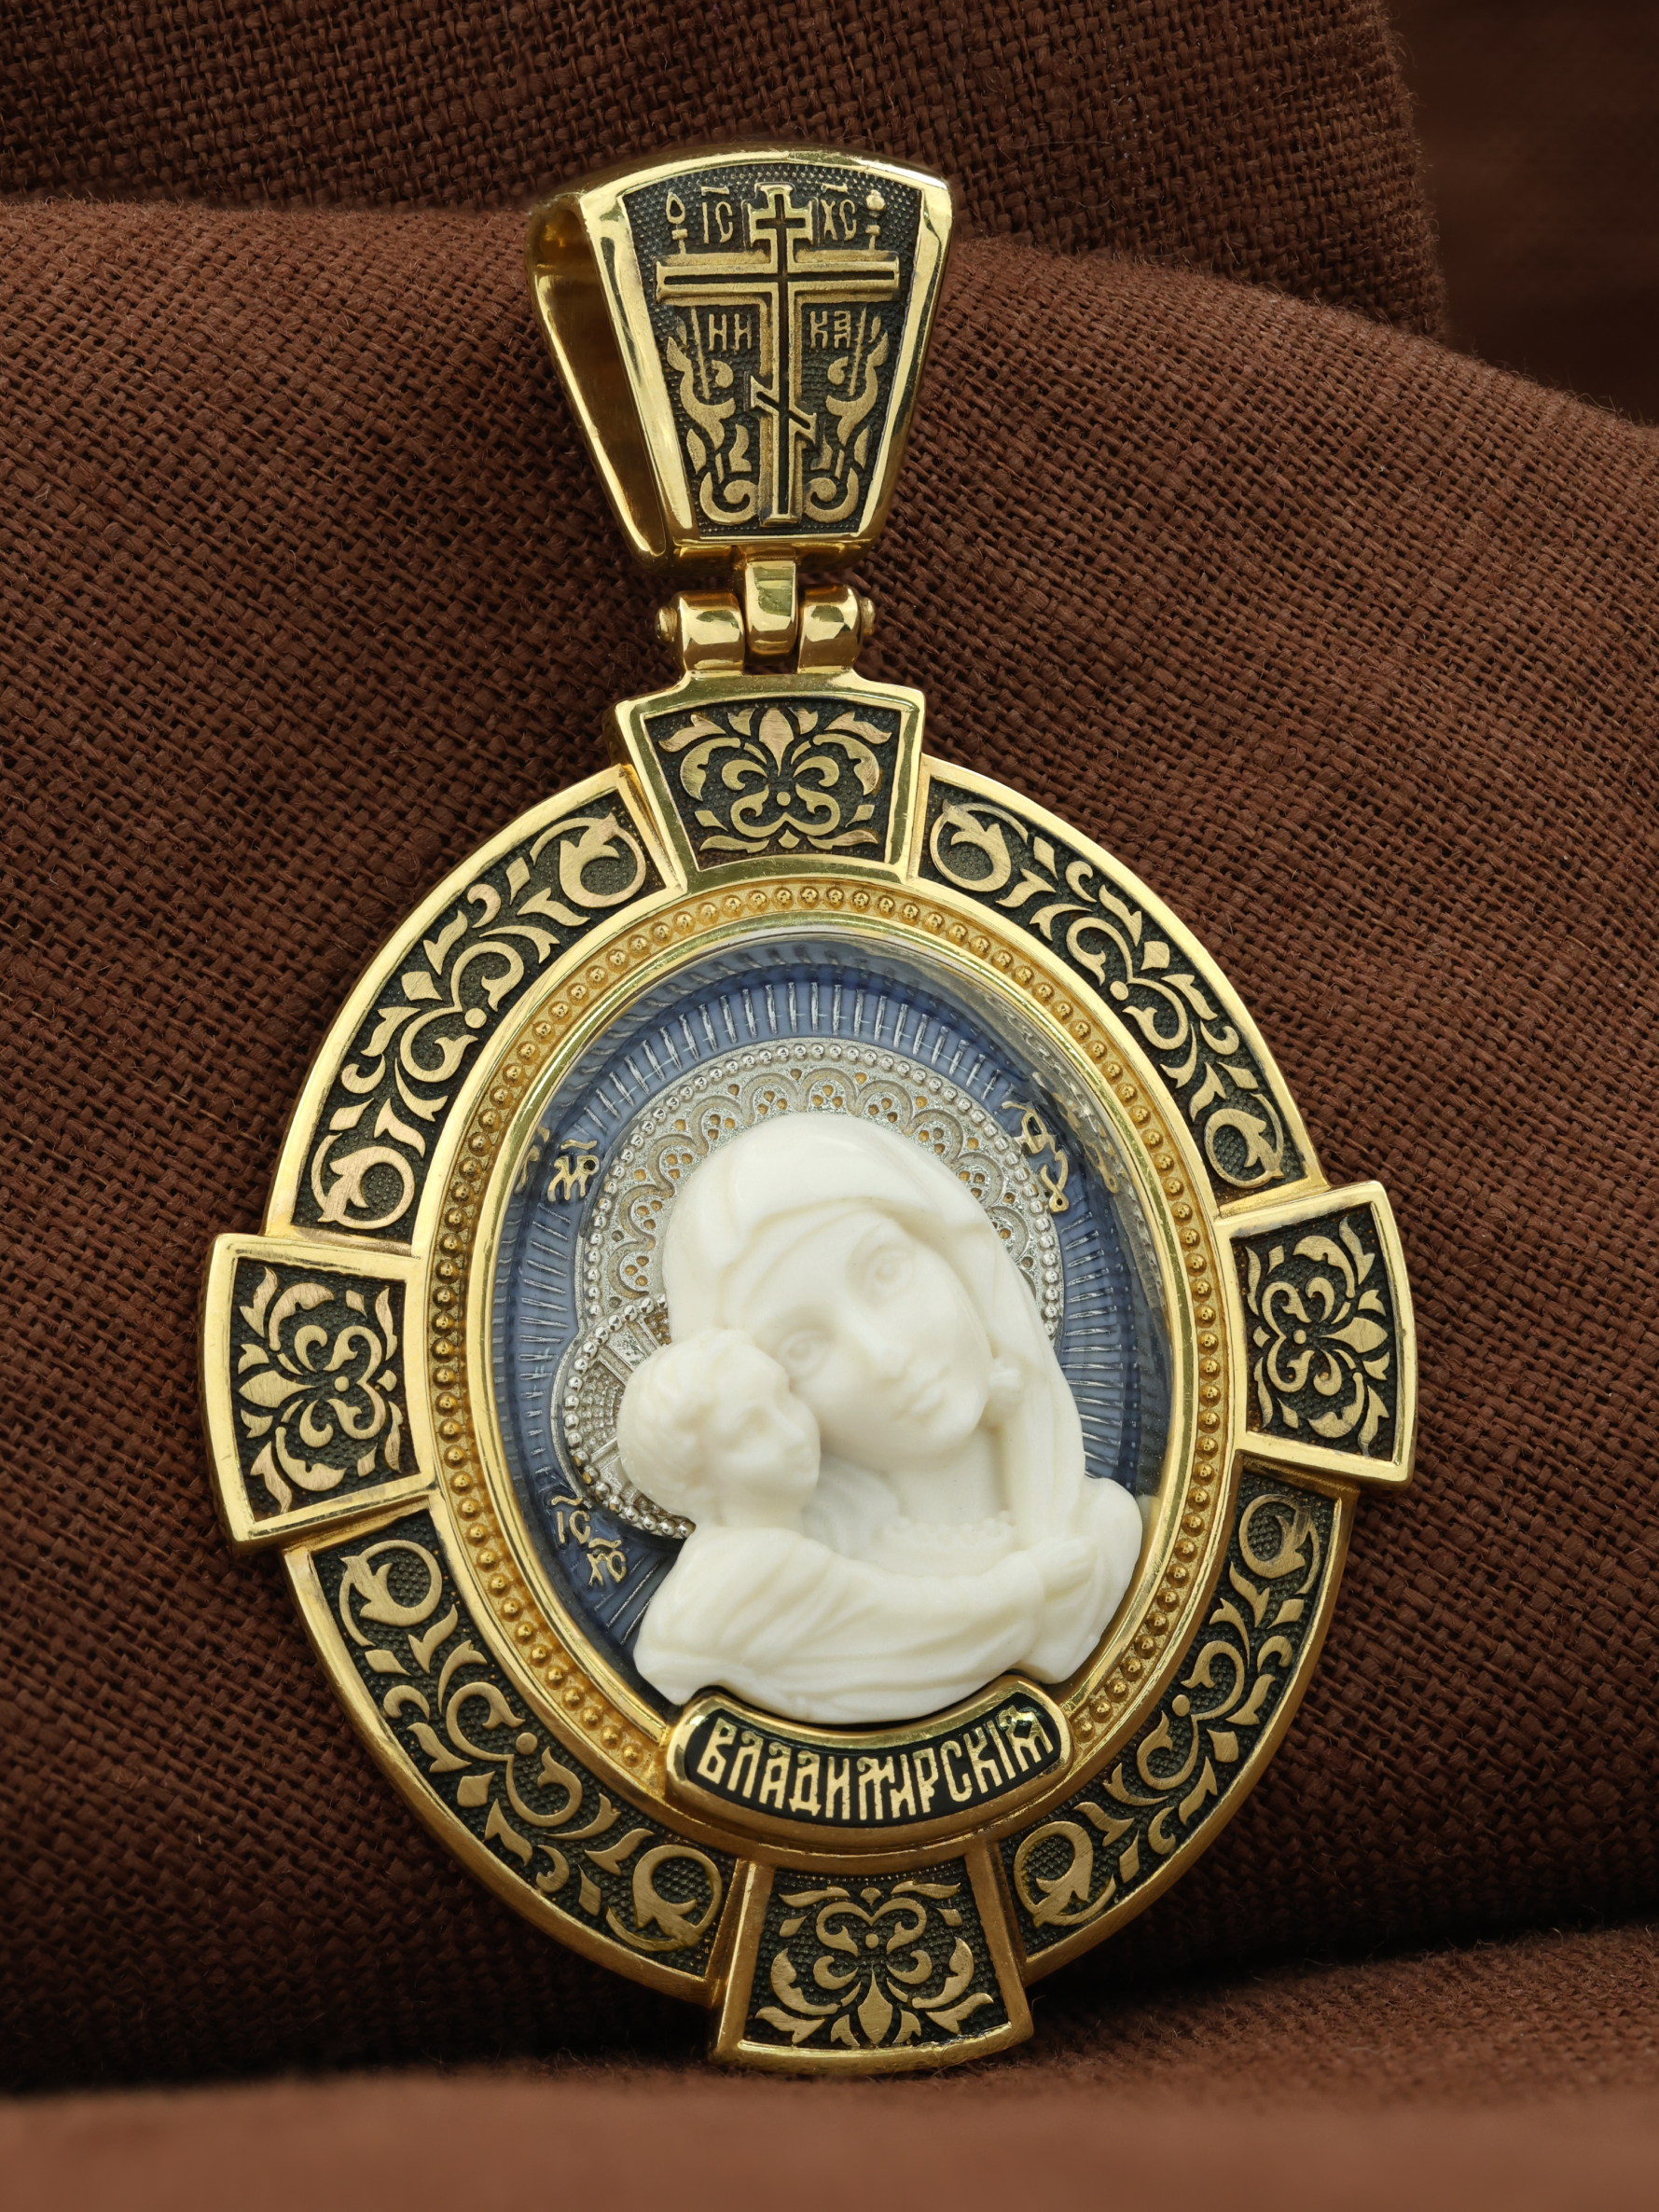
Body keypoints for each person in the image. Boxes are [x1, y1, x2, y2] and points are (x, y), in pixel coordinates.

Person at [620, 1113, 1145, 1721]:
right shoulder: (766, 1592)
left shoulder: (1101, 1531)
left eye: (886, 1271)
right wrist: (1029, 1585)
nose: (884, 1355)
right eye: (801, 1347)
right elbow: (902, 1616)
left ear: (961, 1259)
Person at [623, 1329, 1096, 1722]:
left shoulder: (825, 1507)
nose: (792, 1433)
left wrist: (971, 1403)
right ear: (698, 1483)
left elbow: (886, 1453)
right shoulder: (758, 1567)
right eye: (749, 1431)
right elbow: (918, 1619)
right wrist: (1029, 1580)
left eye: (785, 1396)